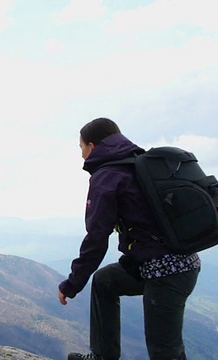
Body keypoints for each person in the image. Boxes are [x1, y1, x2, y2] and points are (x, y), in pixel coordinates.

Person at [58, 118, 201, 360]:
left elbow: (96, 238)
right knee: (105, 281)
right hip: (175, 264)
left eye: (81, 148)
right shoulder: (138, 163)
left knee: (165, 352)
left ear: (92, 146)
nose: (81, 156)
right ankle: (103, 356)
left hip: (166, 272)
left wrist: (71, 284)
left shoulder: (107, 176)